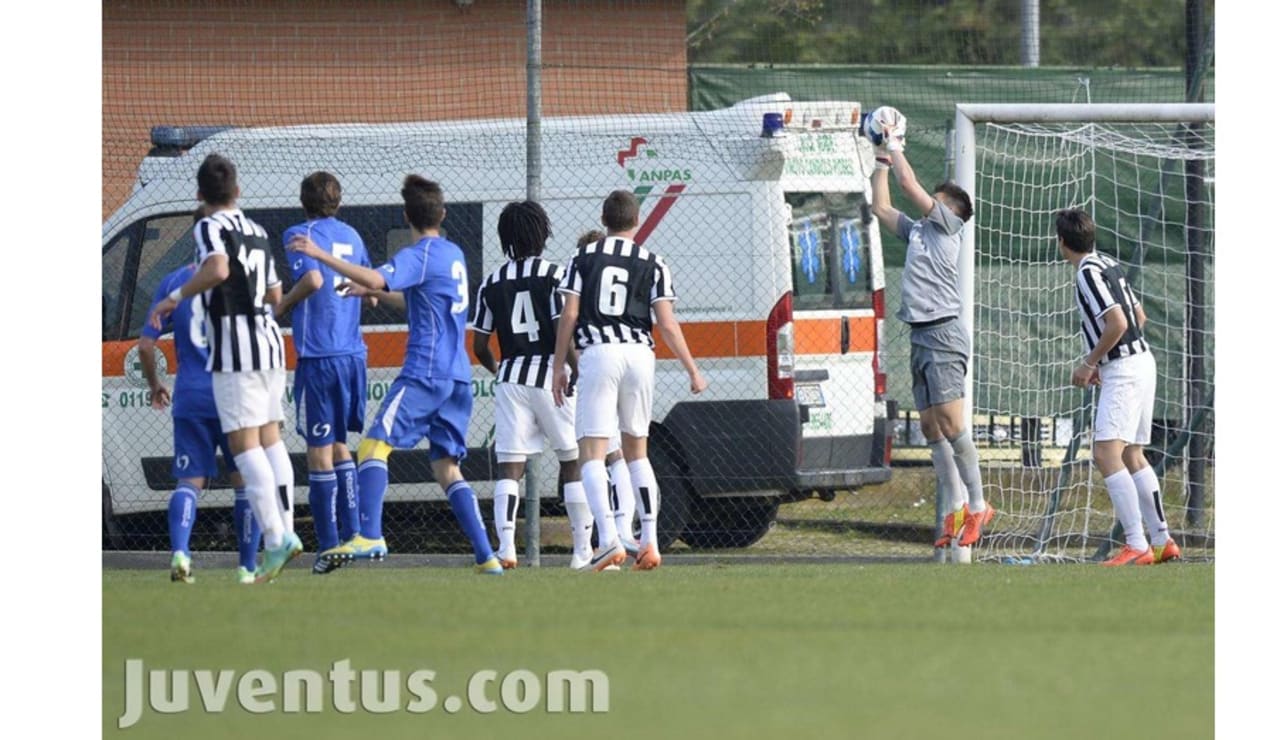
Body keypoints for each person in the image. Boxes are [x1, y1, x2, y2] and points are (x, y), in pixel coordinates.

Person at [288, 175, 503, 575]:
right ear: (443, 214)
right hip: (458, 377)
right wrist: (367, 290)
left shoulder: (419, 253)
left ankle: (369, 535)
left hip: (426, 372)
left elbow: (377, 276)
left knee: (372, 446)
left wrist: (321, 254)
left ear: (407, 215)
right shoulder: (453, 254)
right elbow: (413, 300)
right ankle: (486, 555)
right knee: (445, 467)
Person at [148, 153, 302, 583]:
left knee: (244, 444)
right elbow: (275, 295)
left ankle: (276, 540)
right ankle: (286, 530)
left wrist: (174, 297)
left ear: (200, 194)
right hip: (271, 343)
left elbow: (216, 267)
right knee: (271, 439)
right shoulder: (256, 229)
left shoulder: (208, 226)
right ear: (238, 191)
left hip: (236, 347)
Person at [551, 190, 708, 572]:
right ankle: (649, 540)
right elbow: (667, 323)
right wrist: (692, 369)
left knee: (592, 451)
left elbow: (569, 315)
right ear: (637, 222)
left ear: (603, 221)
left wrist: (559, 365)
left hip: (600, 352)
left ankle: (607, 540)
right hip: (640, 354)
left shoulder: (582, 258)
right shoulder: (653, 262)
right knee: (638, 453)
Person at [867, 113, 992, 553]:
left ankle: (979, 504)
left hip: (943, 333)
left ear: (949, 210)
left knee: (953, 423)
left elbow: (908, 187)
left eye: (935, 200)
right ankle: (957, 507)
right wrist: (881, 158)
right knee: (931, 429)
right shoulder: (920, 231)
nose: (927, 204)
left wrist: (895, 139)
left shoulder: (947, 227)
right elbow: (882, 207)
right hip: (920, 335)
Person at [471, 202, 600, 570]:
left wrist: (500, 369)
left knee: (510, 467)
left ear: (505, 239)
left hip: (512, 377)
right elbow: (564, 330)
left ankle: (507, 548)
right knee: (571, 460)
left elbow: (479, 344)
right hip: (551, 375)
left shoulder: (492, 281)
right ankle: (581, 551)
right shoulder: (556, 274)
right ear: (543, 234)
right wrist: (576, 371)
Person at [139, 207, 262, 585]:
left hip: (191, 395)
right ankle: (247, 568)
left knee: (189, 482)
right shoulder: (240, 282)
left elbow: (145, 346)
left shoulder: (173, 284)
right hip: (233, 396)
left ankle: (180, 554)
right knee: (246, 481)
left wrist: (155, 384)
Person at [1056, 208, 1179, 566]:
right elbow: (1140, 317)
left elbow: (1119, 322)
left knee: (1106, 454)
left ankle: (1137, 543)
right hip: (1143, 361)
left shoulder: (1086, 274)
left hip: (1125, 368)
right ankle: (1162, 540)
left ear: (1061, 242)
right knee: (1132, 454)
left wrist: (1090, 362)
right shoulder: (1108, 262)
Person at [275, 172, 371, 575]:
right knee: (339, 444)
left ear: (303, 201)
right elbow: (366, 284)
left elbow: (313, 279)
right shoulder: (353, 234)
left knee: (317, 450)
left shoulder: (299, 232)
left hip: (319, 355)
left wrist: (282, 305)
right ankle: (354, 536)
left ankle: (329, 546)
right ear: (338, 200)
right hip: (353, 353)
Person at [574, 229, 639, 553]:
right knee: (621, 455)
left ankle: (608, 535)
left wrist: (568, 367)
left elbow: (570, 331)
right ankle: (624, 529)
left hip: (594, 370)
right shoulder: (624, 279)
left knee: (592, 455)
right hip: (626, 364)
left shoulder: (579, 284)